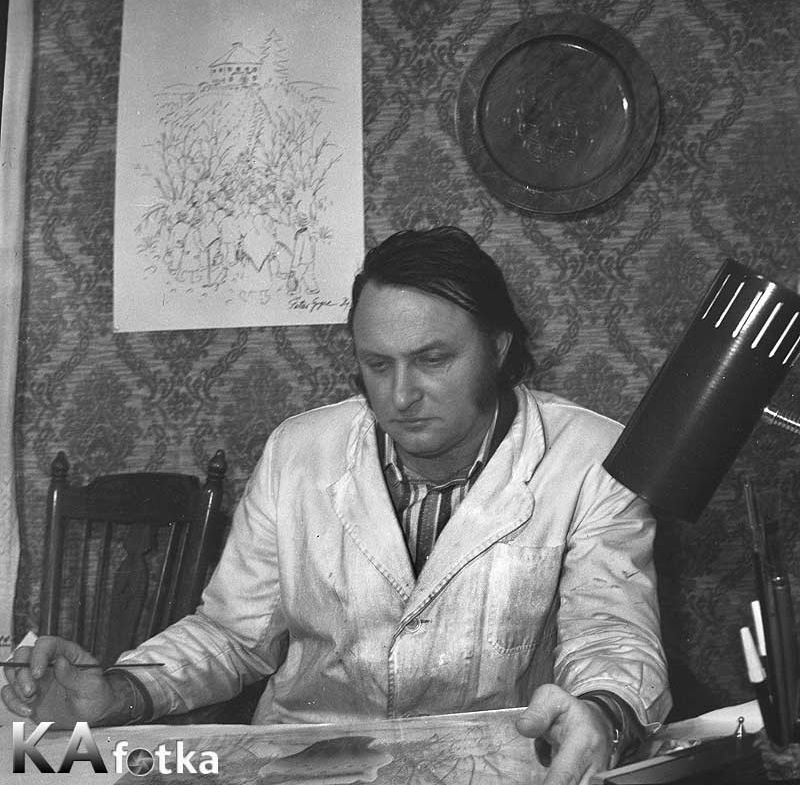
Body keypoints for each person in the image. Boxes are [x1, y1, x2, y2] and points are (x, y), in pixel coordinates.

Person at [3, 226, 670, 785]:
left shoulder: (593, 457)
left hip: (493, 766)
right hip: (303, 765)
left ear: (497, 348)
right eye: (378, 365)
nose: (400, 396)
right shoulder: (298, 450)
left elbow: (612, 636)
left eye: (433, 359)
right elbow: (232, 636)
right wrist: (117, 692)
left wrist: (603, 714)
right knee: (34, 767)